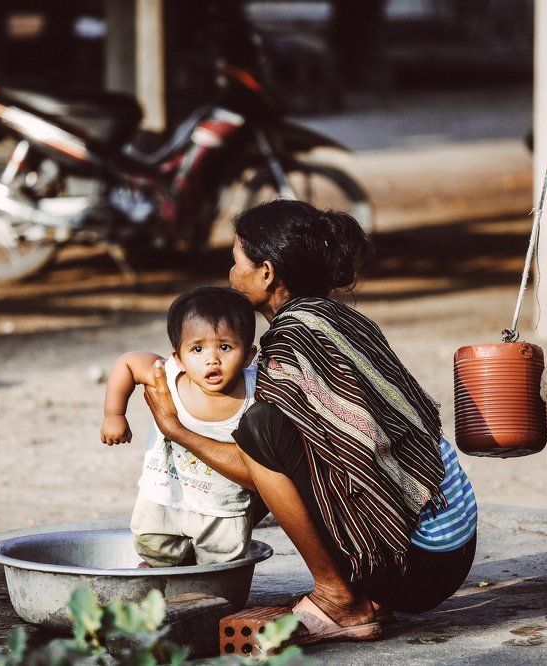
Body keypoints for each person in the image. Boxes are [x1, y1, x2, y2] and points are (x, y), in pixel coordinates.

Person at [141, 200, 477, 644]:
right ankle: (361, 593)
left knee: (257, 430)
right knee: (272, 435)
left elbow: (261, 472)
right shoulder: (340, 319)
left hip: (415, 559)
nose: (230, 274)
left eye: (236, 261)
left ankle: (341, 598)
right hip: (452, 539)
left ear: (266, 273)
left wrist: (175, 429)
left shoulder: (291, 342)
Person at [101, 286, 259, 567]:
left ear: (248, 354)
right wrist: (114, 414)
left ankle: (207, 584)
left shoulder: (255, 389)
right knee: (153, 544)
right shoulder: (168, 375)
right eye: (197, 349)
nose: (212, 359)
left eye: (225, 347)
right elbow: (127, 363)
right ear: (179, 357)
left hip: (221, 506)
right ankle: (158, 569)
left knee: (222, 560)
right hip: (165, 495)